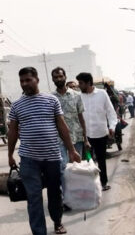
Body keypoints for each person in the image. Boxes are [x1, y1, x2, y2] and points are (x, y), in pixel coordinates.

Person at [8, 67, 81, 235]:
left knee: (55, 193)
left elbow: (62, 126)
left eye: (28, 80)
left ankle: (57, 222)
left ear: (37, 80)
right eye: (22, 81)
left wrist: (71, 150)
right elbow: (12, 131)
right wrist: (10, 154)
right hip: (28, 159)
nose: (24, 84)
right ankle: (39, 232)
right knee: (34, 198)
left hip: (52, 157)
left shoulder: (51, 101)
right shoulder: (17, 105)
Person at [51, 67, 89, 204]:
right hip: (59, 140)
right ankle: (66, 199)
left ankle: (78, 195)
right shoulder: (51, 98)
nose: (58, 79)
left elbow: (81, 118)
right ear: (53, 80)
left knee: (76, 169)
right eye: (55, 77)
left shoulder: (76, 95)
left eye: (60, 76)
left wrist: (86, 139)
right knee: (62, 169)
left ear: (65, 77)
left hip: (76, 138)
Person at [76, 72, 117, 191]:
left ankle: (103, 183)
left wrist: (112, 127)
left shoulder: (102, 94)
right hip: (85, 136)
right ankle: (92, 185)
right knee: (88, 161)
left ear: (88, 83)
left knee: (101, 159)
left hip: (100, 134)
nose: (79, 86)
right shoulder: (79, 96)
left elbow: (110, 112)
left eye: (81, 83)